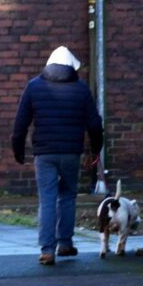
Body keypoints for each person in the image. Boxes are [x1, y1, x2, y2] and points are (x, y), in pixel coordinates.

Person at [11, 46, 103, 266]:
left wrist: (18, 151)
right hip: (71, 152)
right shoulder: (81, 89)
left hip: (44, 153)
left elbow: (20, 123)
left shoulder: (34, 86)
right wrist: (96, 149)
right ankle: (65, 243)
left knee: (48, 199)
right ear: (72, 67)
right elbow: (94, 124)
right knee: (68, 195)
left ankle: (47, 250)